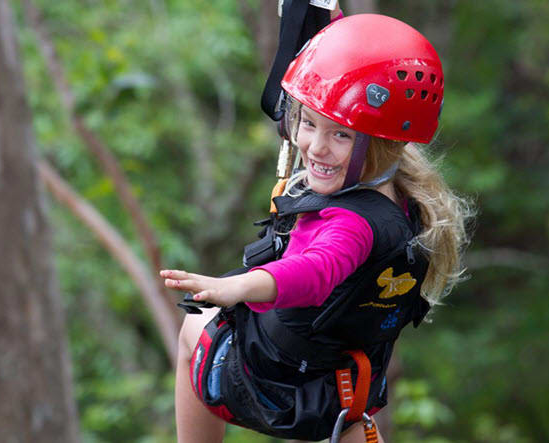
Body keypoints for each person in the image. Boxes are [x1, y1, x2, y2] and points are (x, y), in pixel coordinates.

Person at [160, 11, 472, 443]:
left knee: (196, 327)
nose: (314, 147)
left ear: (382, 142)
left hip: (278, 376)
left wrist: (244, 286)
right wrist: (328, 23)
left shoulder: (353, 225)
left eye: (341, 135)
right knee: (349, 418)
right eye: (308, 123)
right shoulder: (400, 198)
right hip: (346, 386)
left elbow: (315, 269)